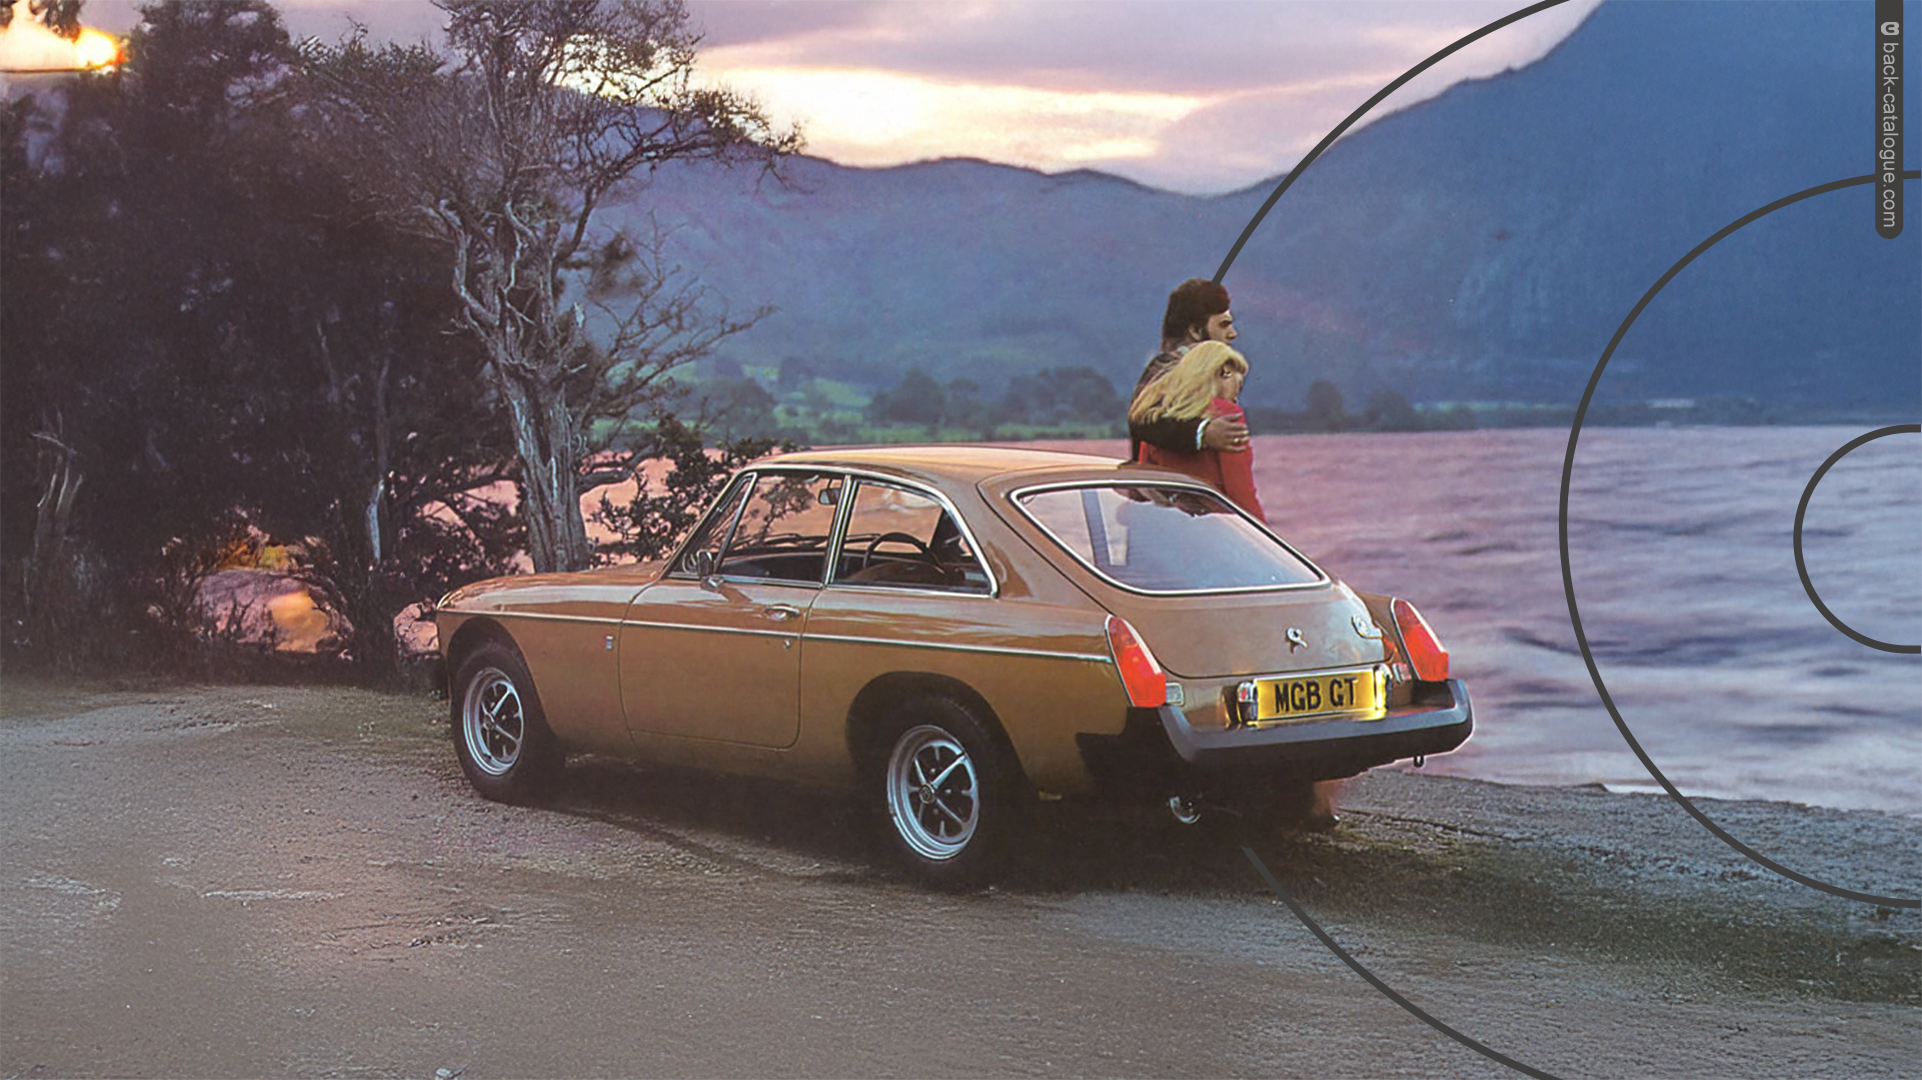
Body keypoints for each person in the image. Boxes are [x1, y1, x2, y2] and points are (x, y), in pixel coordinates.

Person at [1127, 341, 1264, 522]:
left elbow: (1145, 478)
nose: (1238, 382)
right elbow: (1241, 493)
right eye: (1228, 373)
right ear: (1210, 376)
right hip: (1217, 528)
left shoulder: (1155, 415)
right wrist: (1269, 539)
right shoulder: (1227, 414)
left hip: (1169, 526)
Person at [1128, 278, 1249, 461]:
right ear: (1195, 331)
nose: (1233, 333)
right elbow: (1142, 420)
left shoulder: (1214, 373)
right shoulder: (1166, 367)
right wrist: (1203, 432)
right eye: (1223, 325)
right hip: (1168, 487)